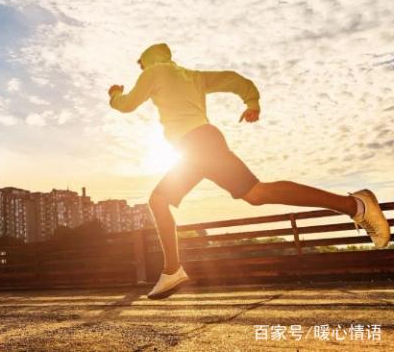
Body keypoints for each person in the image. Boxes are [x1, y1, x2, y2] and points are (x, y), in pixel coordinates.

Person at [108, 43, 391, 300]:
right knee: (164, 199)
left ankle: (355, 204)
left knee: (255, 193)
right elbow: (234, 79)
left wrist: (115, 94)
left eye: (142, 66)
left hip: (196, 145)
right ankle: (172, 270)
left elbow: (128, 104)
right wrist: (251, 101)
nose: (142, 71)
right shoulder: (191, 75)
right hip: (199, 144)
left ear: (148, 61)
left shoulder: (154, 71)